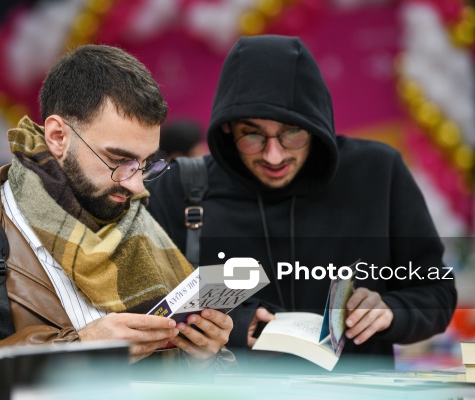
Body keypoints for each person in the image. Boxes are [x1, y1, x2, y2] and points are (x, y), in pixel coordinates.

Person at [0, 45, 234, 368]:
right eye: (118, 159)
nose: (136, 185)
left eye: (145, 164)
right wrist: (76, 351)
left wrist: (204, 358)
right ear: (57, 137)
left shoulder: (144, 227)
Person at [146, 35, 457, 372]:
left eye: (292, 133)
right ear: (227, 131)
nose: (274, 155)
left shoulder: (379, 173)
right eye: (252, 135)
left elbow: (436, 293)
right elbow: (143, 305)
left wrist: (392, 310)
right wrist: (234, 325)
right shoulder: (180, 188)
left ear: (316, 126)